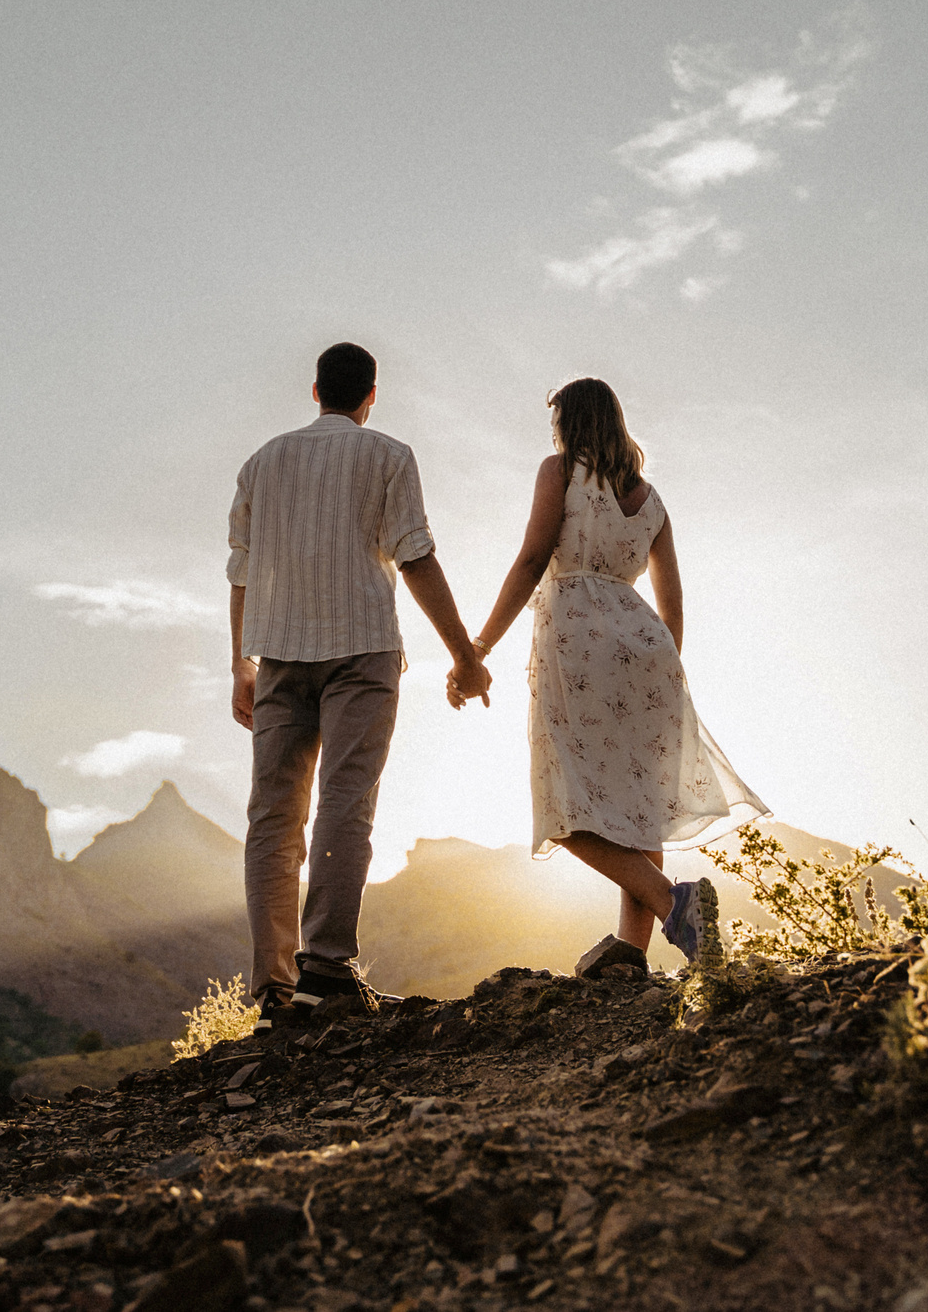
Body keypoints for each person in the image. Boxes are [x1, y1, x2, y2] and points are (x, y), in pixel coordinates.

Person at [459, 377, 767, 980]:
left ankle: (673, 904)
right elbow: (673, 605)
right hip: (648, 646)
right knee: (637, 805)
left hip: (577, 641)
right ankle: (635, 955)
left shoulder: (560, 471)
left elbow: (531, 558)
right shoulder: (651, 502)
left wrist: (480, 645)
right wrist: (660, 670)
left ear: (569, 424)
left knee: (564, 806)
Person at [228, 342, 493, 1028]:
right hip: (363, 650)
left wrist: (240, 663)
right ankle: (325, 969)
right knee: (346, 799)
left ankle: (274, 994)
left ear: (314, 390)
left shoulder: (262, 463)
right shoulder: (387, 455)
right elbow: (415, 555)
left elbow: (241, 568)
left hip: (280, 656)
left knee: (272, 816)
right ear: (371, 395)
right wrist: (464, 656)